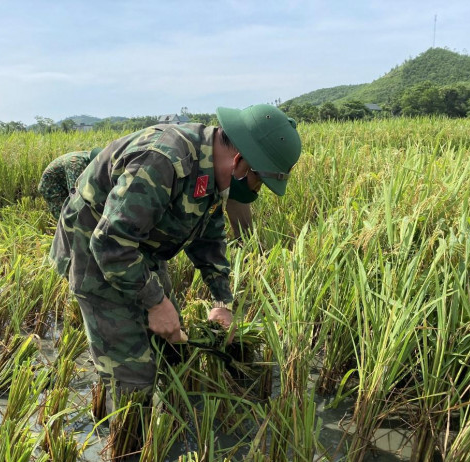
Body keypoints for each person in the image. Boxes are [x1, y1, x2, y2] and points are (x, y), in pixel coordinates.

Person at [49, 104, 301, 411]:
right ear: (239, 163)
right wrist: (155, 303)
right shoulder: (163, 159)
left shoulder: (212, 171)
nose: (256, 191)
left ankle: (168, 416)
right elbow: (111, 243)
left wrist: (222, 302)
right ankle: (128, 435)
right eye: (259, 182)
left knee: (170, 339)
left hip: (140, 245)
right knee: (133, 375)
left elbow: (209, 235)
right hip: (94, 247)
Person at [40, 151, 254, 238]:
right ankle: (67, 243)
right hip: (53, 187)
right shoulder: (75, 163)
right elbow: (76, 195)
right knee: (70, 220)